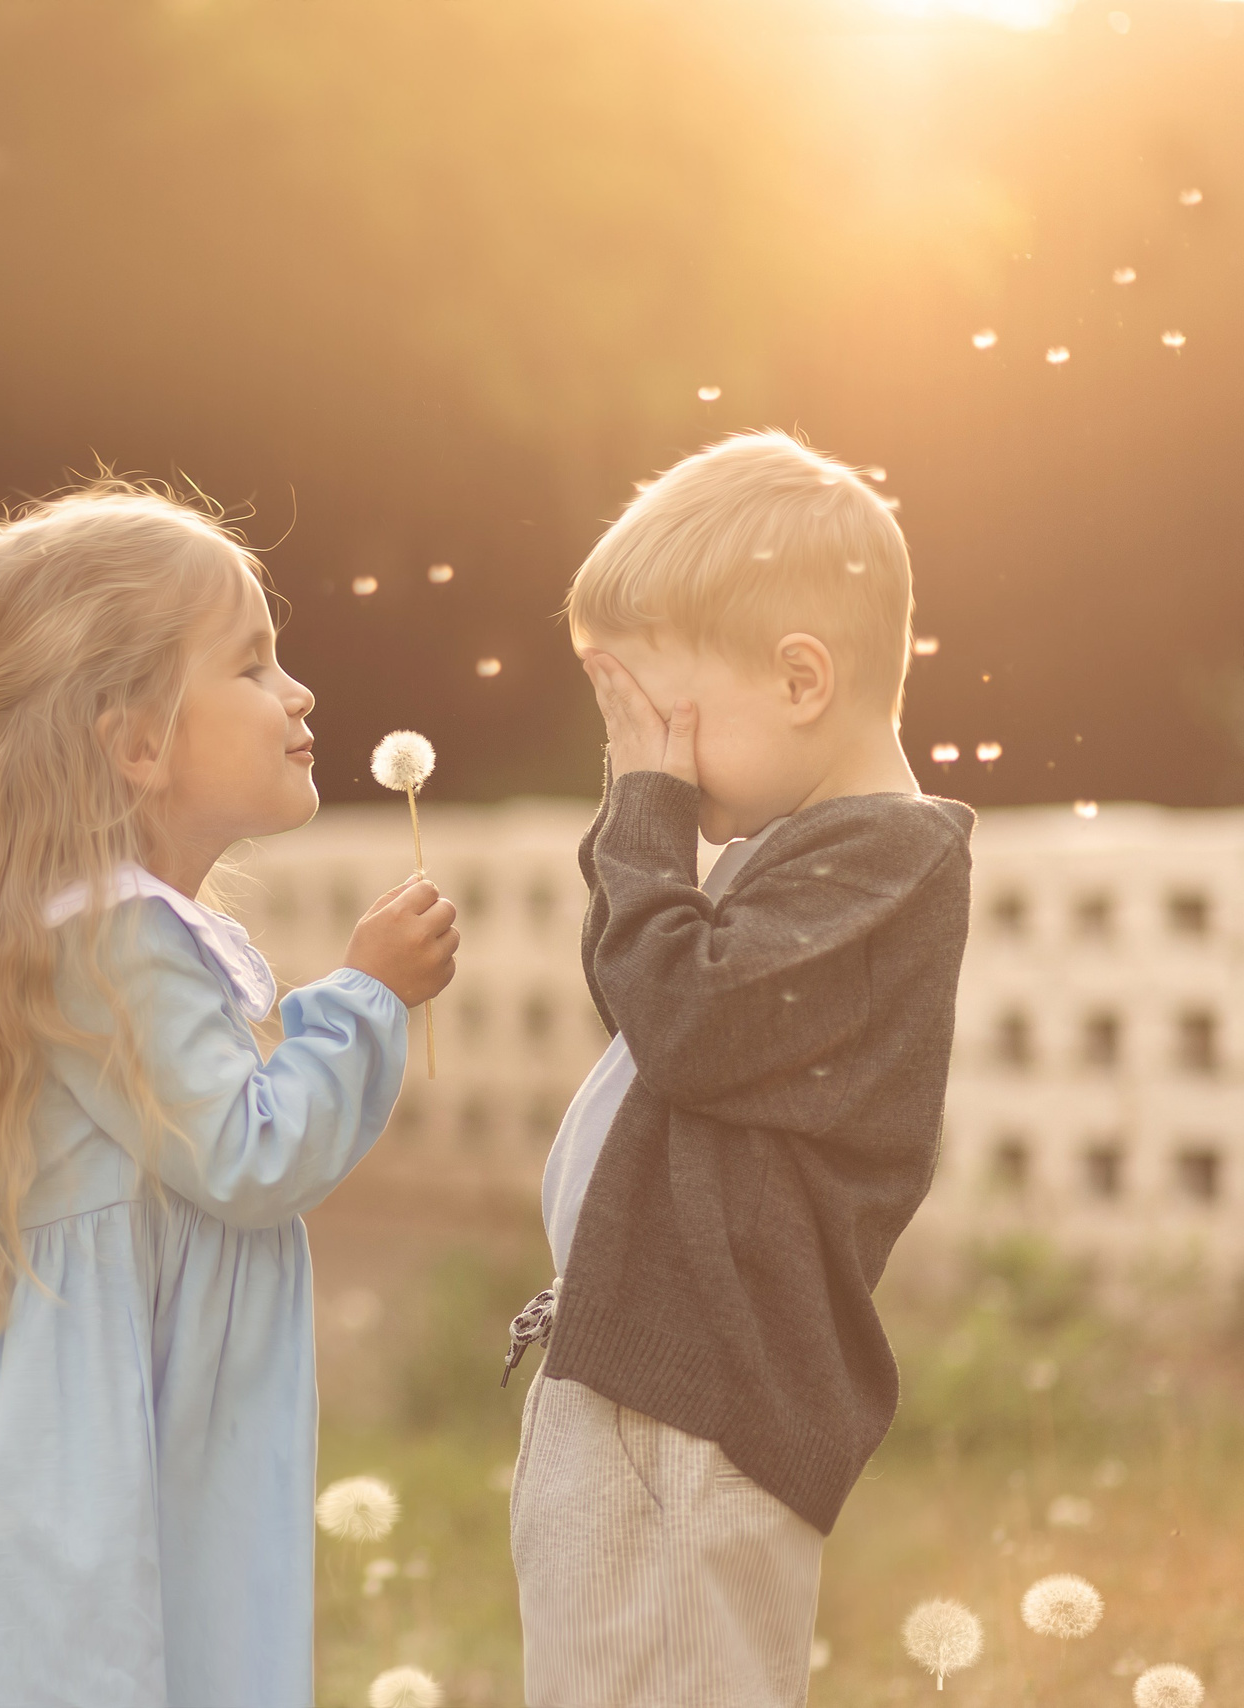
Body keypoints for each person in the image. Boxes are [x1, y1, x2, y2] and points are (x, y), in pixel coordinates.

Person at [0, 481, 460, 1707]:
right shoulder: (111, 940)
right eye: (252, 665)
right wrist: (365, 999)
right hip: (69, 1469)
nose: (296, 694)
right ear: (134, 741)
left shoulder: (95, 933)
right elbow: (249, 1156)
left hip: (69, 1435)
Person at [509, 431, 975, 1707]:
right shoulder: (811, 855)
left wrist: (646, 814)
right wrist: (646, 807)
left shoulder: (882, 868)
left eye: (659, 719)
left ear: (800, 678)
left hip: (696, 1401)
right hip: (650, 1382)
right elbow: (638, 995)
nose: (642, 756)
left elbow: (687, 1017)